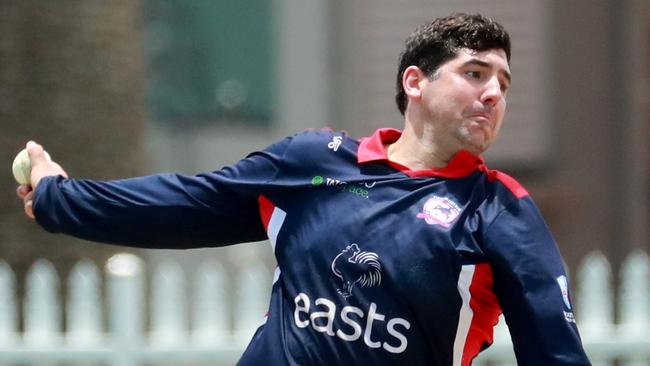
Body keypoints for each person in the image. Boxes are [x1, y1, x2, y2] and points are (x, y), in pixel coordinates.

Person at [16, 13, 591, 366]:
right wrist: (57, 198)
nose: (494, 93)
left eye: (504, 82)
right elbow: (185, 204)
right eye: (475, 73)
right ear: (414, 81)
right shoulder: (313, 164)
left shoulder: (499, 208)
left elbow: (554, 349)